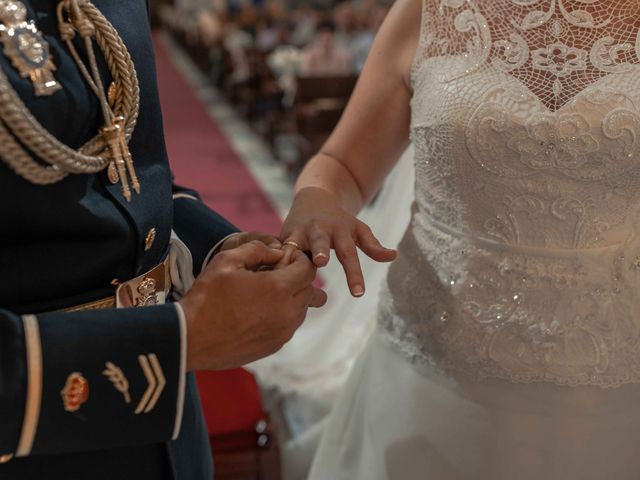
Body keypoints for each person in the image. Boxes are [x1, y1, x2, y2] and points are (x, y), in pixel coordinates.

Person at [280, 0, 640, 478]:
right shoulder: (429, 10)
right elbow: (341, 165)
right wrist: (318, 198)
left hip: (613, 380)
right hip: (435, 369)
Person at [0, 0, 325, 479]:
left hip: (175, 435)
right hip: (41, 443)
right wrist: (180, 340)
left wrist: (215, 247)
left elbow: (124, 175)